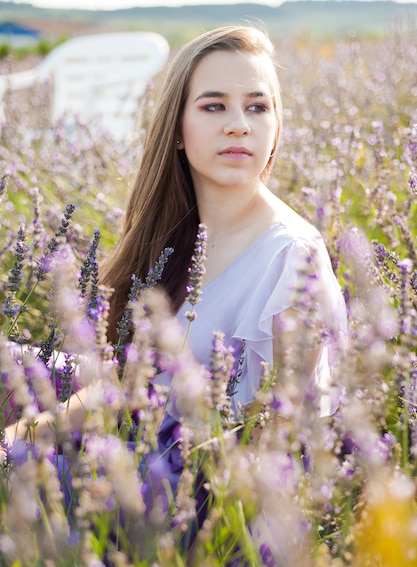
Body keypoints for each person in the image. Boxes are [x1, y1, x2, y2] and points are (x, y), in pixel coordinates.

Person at [4, 25, 347, 528]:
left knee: (28, 475)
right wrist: (25, 434)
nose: (239, 125)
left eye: (257, 106)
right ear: (178, 131)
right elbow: (127, 383)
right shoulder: (175, 232)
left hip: (199, 499)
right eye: (214, 106)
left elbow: (277, 444)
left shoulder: (292, 259)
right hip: (143, 432)